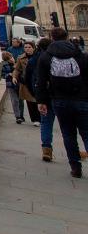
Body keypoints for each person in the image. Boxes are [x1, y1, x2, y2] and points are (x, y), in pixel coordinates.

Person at [35, 27, 88, 178]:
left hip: (59, 101)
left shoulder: (46, 57)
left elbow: (41, 81)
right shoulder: (81, 55)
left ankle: (75, 167)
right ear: (67, 37)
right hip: (82, 99)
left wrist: (41, 101)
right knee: (86, 133)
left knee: (68, 135)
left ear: (52, 37)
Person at [15, 41, 40, 125]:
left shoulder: (38, 57)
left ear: (33, 48)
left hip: (37, 81)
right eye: (25, 47)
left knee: (37, 100)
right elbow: (17, 69)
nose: (27, 49)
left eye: (29, 47)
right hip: (26, 82)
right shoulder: (20, 58)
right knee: (30, 101)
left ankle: (40, 117)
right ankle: (35, 119)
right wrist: (14, 77)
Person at [1, 51, 23, 123]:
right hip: (11, 85)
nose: (11, 59)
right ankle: (18, 116)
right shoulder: (5, 66)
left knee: (21, 100)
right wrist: (9, 74)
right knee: (15, 100)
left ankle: (21, 115)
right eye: (8, 59)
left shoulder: (18, 63)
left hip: (19, 84)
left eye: (11, 57)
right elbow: (3, 75)